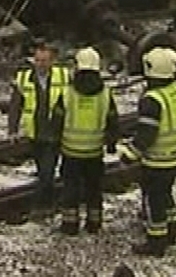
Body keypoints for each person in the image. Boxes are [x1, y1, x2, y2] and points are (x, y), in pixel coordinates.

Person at [117, 46, 176, 257]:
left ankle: (156, 241)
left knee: (153, 199)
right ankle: (172, 228)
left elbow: (146, 136)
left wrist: (129, 154)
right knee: (166, 194)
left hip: (158, 161)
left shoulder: (153, 100)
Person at [53, 46, 120, 235]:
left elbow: (57, 120)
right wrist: (112, 144)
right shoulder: (105, 94)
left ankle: (70, 225)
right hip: (94, 151)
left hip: (71, 151)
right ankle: (94, 223)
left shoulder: (67, 93)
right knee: (94, 188)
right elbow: (112, 120)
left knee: (71, 189)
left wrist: (55, 143)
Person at [8, 40, 70, 212]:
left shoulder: (64, 76)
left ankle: (41, 206)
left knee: (47, 171)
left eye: (44, 61)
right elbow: (15, 105)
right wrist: (12, 130)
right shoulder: (24, 78)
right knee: (43, 169)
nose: (40, 64)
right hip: (35, 132)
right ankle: (50, 200)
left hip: (56, 131)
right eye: (37, 61)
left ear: (52, 61)